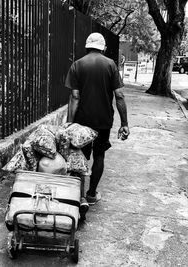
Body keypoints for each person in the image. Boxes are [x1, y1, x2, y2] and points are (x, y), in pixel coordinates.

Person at [65, 32, 130, 219]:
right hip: (103, 120)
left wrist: (70, 123)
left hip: (82, 121)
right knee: (99, 155)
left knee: (79, 157)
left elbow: (75, 97)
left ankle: (78, 197)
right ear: (104, 48)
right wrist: (124, 123)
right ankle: (92, 194)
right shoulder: (110, 65)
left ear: (87, 46)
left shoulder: (77, 65)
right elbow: (119, 96)